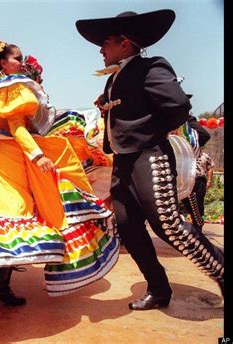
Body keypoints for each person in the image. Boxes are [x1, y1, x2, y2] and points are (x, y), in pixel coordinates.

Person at [75, 9, 224, 310]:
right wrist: (107, 108)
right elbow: (128, 111)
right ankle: (158, 289)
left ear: (125, 43)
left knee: (169, 226)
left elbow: (178, 106)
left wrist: (146, 134)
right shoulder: (115, 78)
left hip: (149, 157)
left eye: (106, 43)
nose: (101, 50)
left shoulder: (151, 67)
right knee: (128, 227)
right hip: (124, 163)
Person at [0, 39, 118, 307]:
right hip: (10, 153)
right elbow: (18, 127)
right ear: (2, 63)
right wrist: (38, 155)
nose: (23, 62)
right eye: (17, 58)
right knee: (19, 214)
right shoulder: (13, 85)